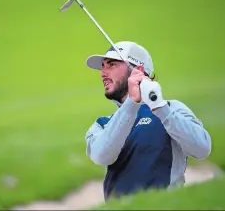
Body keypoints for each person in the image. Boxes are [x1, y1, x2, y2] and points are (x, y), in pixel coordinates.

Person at [84, 41, 212, 201]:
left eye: (111, 65)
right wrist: (132, 103)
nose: (103, 73)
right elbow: (102, 156)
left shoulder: (171, 109)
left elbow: (202, 148)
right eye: (103, 66)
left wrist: (159, 106)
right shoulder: (102, 124)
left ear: (137, 70)